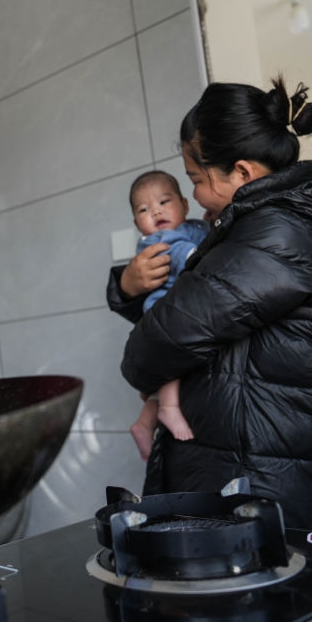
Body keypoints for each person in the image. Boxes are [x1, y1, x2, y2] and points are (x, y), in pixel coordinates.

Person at [116, 75, 312, 541]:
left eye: (196, 180)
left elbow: (156, 344)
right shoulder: (299, 220)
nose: (195, 197)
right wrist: (127, 287)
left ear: (242, 173)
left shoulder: (278, 233)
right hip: (292, 485)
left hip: (277, 495)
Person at [124, 171, 209, 459]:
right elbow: (183, 254)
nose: (156, 211)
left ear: (184, 205)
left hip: (178, 310)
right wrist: (206, 257)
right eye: (143, 209)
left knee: (166, 379)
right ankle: (169, 409)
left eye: (163, 202)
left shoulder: (195, 227)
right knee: (174, 363)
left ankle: (144, 423)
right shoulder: (160, 239)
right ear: (137, 224)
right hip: (164, 310)